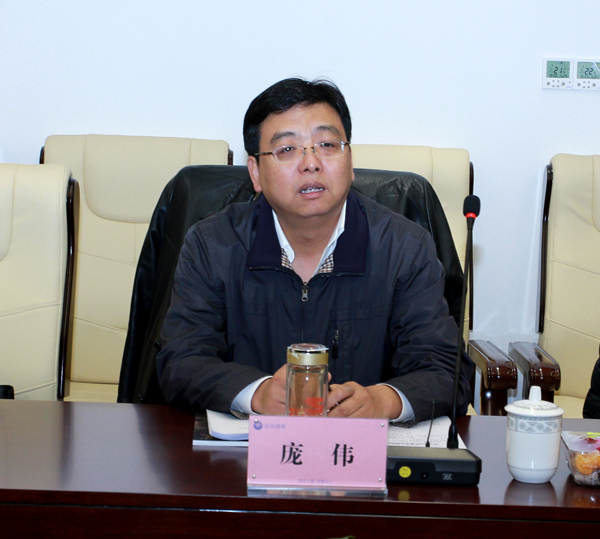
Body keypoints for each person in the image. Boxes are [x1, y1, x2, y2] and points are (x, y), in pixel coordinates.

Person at [156, 77, 473, 423]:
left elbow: (446, 370)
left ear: (350, 161)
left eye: (327, 144)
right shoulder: (211, 245)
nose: (311, 163)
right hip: (246, 452)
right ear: (255, 173)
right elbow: (180, 362)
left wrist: (382, 402)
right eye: (287, 149)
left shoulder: (404, 248)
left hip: (361, 451)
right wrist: (258, 394)